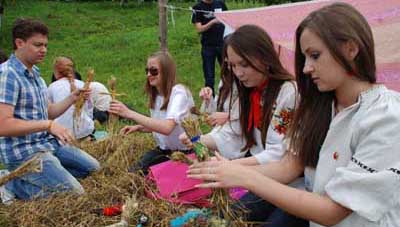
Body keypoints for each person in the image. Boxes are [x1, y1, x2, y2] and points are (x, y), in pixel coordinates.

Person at [188, 3, 400, 227]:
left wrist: (242, 175)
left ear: (351, 49)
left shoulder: (385, 116)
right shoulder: (317, 107)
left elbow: (332, 211)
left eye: (315, 56)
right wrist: (229, 169)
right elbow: (288, 166)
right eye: (305, 58)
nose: (307, 68)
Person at [184, 25, 306, 226]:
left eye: (244, 64)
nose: (238, 73)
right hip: (265, 180)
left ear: (264, 57)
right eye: (232, 65)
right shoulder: (247, 91)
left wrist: (231, 167)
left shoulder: (289, 93)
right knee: (224, 217)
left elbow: (279, 154)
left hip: (294, 186)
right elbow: (234, 133)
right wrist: (198, 140)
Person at [0, 18, 100, 200]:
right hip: (24, 152)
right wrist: (48, 125)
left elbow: (49, 112)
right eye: (38, 45)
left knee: (93, 169)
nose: (44, 50)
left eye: (45, 45)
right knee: (73, 194)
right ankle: (11, 184)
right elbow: (3, 125)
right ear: (19, 43)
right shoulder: (7, 75)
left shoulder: (35, 75)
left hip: (47, 144)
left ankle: (45, 177)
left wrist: (72, 98)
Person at [109, 51, 194, 175]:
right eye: (147, 71)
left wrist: (129, 113)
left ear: (166, 71)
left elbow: (167, 128)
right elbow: (159, 124)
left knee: (161, 182)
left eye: (154, 71)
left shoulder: (178, 92)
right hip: (164, 151)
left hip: (186, 152)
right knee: (132, 174)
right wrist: (138, 127)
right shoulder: (156, 95)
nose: (149, 74)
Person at [48, 56, 95, 140]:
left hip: (61, 132)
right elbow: (90, 110)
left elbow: (48, 112)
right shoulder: (83, 85)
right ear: (73, 71)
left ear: (56, 72)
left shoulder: (52, 87)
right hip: (84, 130)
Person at [192, 0, 228, 96]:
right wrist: (213, 22)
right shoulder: (197, 7)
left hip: (223, 44)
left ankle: (227, 97)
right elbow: (199, 29)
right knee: (209, 77)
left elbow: (228, 19)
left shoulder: (220, 3)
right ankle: (210, 102)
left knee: (228, 73)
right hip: (208, 47)